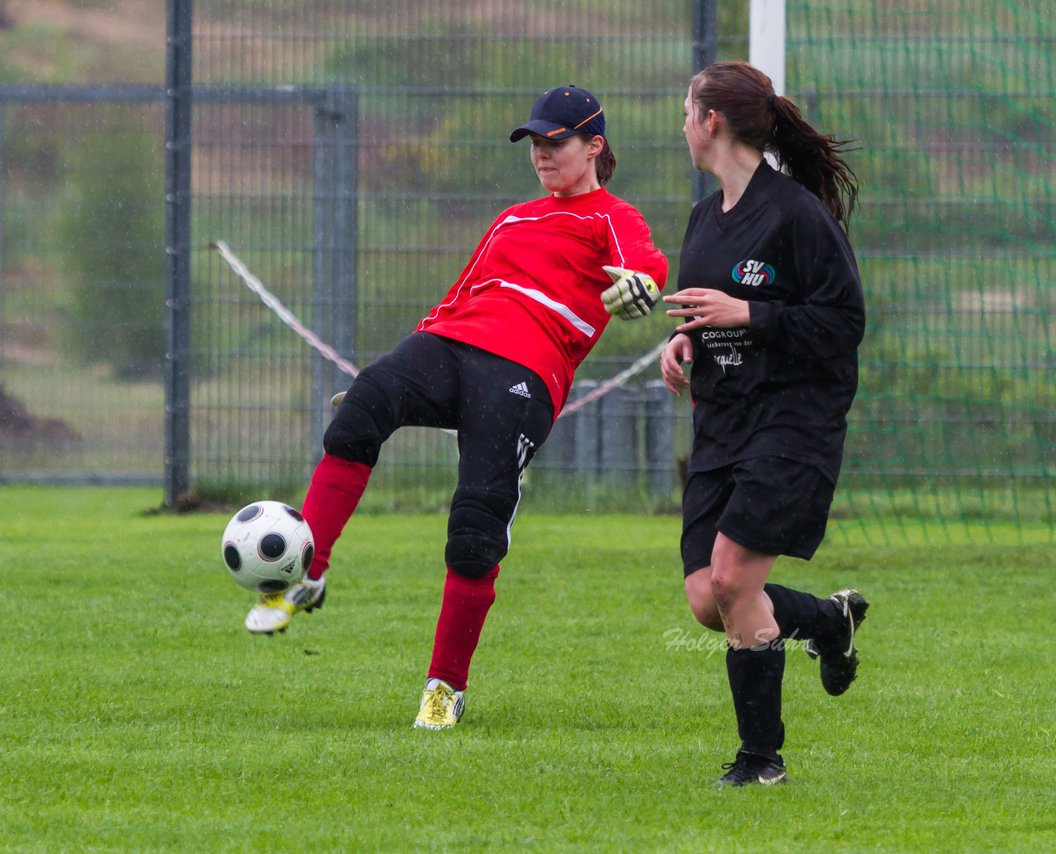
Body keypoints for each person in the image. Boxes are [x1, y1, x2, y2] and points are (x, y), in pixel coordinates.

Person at [244, 85, 669, 730]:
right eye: (535, 143)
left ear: (594, 147)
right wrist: (388, 388)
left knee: (474, 530)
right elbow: (456, 299)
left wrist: (643, 285)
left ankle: (445, 688)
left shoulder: (610, 217)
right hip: (451, 342)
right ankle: (306, 574)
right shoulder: (511, 218)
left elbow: (645, 263)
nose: (542, 155)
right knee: (361, 411)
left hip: (526, 372)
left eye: (556, 143)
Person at [657, 60, 869, 786]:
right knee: (706, 600)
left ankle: (761, 761)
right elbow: (708, 318)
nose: (682, 124)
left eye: (686, 111)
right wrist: (684, 342)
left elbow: (843, 323)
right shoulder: (701, 219)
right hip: (724, 423)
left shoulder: (796, 215)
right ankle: (829, 622)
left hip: (794, 422)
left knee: (732, 578)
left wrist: (750, 312)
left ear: (711, 121)